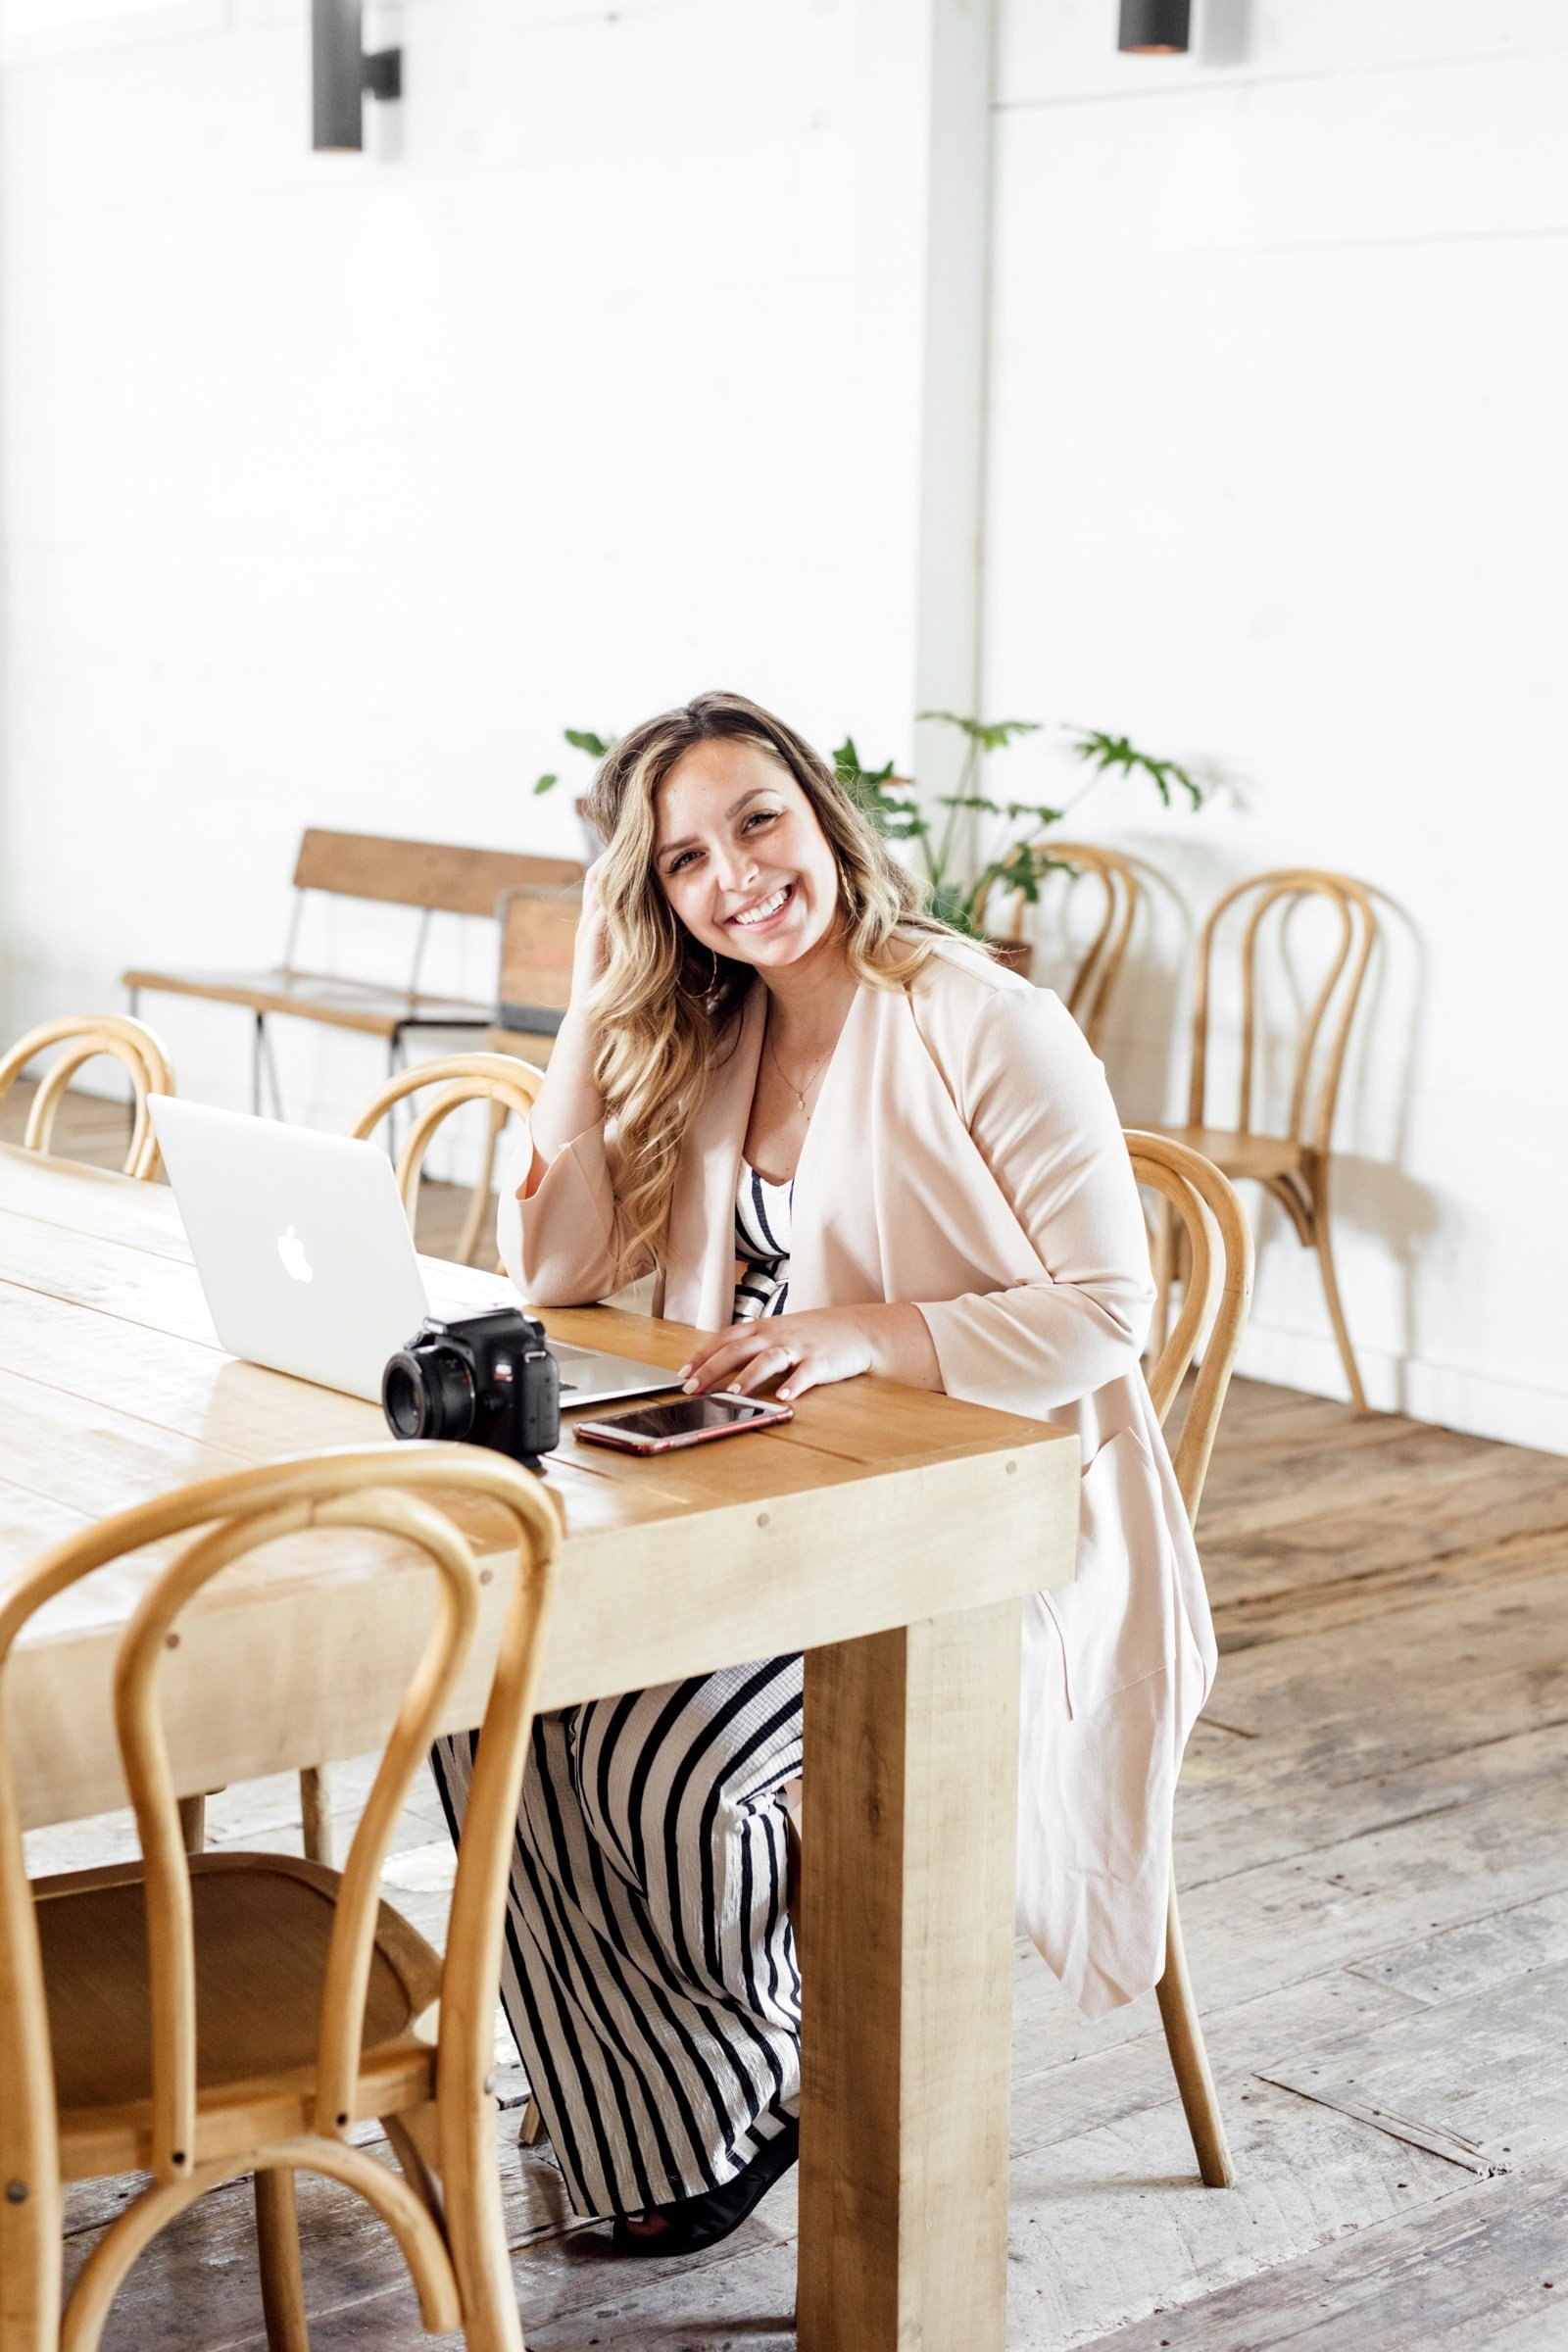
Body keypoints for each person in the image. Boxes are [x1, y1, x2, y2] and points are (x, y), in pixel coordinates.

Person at [431, 689, 1215, 2254]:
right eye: (683, 861)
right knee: (489, 1719)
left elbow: (1112, 1312)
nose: (735, 875)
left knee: (664, 1760)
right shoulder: (709, 1025)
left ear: (823, 814)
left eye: (758, 820)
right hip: (750, 1497)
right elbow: (564, 1268)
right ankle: (656, 2104)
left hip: (966, 1527)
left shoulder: (977, 1017)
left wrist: (866, 1334)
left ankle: (735, 2092)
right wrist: (587, 1020)